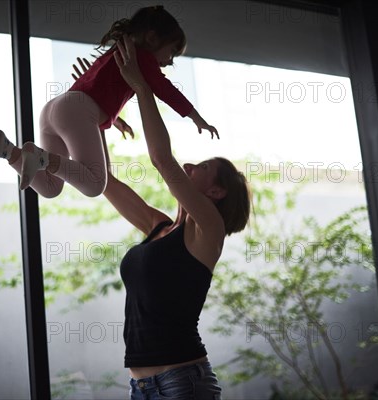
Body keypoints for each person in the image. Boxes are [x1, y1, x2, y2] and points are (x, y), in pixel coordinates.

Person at [102, 36, 252, 400]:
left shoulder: (209, 231)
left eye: (199, 168)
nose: (188, 167)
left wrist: (140, 86)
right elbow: (103, 180)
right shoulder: (159, 227)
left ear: (216, 193)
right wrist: (98, 117)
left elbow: (163, 160)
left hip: (183, 383)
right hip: (141, 387)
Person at [0, 5, 217, 198]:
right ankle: (38, 157)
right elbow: (165, 89)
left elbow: (98, 93)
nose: (170, 61)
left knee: (50, 187)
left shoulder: (118, 51)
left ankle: (7, 149)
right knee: (94, 185)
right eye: (172, 52)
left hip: (55, 109)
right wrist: (196, 116)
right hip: (76, 111)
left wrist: (115, 120)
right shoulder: (142, 57)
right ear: (152, 38)